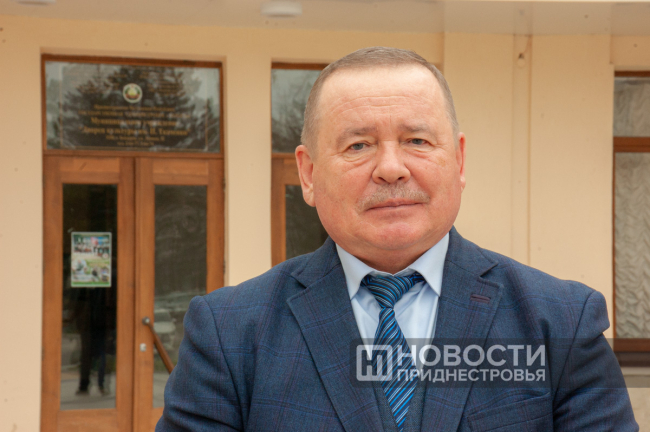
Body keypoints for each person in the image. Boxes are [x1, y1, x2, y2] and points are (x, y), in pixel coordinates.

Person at [156, 47, 638, 431]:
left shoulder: (560, 323)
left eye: (417, 141)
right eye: (358, 145)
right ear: (308, 174)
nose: (391, 168)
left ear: (459, 161)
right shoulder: (229, 334)